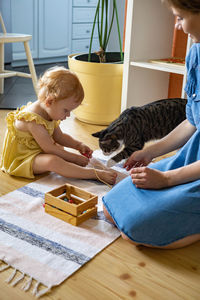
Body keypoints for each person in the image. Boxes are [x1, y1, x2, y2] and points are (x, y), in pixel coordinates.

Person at [103, 0, 200, 249]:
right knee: (111, 208)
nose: (177, 26)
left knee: (133, 230)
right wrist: (150, 152)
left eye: (180, 17)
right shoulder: (195, 53)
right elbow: (192, 121)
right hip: (192, 160)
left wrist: (166, 179)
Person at [0, 66, 117, 185]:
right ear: (49, 102)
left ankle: (74, 169)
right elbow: (49, 148)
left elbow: (60, 137)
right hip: (22, 160)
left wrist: (78, 145)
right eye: (66, 110)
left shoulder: (49, 111)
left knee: (60, 150)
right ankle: (93, 174)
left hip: (37, 152)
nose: (68, 115)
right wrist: (74, 158)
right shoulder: (33, 120)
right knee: (53, 161)